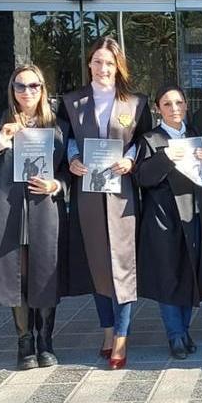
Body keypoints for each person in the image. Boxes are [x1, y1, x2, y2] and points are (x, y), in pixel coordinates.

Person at [0, 65, 67, 370]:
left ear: (42, 89)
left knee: (45, 273)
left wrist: (57, 184)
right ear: (12, 89)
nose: (27, 92)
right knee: (17, 276)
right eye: (20, 86)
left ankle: (46, 340)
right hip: (9, 209)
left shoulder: (59, 126)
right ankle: (25, 342)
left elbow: (70, 167)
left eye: (33, 86)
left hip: (44, 209)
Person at [60, 37, 153, 370]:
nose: (103, 68)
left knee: (123, 263)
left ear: (119, 67)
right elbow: (66, 138)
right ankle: (107, 330)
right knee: (98, 262)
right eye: (98, 61)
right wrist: (71, 158)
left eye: (109, 63)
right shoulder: (72, 101)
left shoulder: (136, 102)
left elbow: (144, 140)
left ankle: (122, 337)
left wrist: (130, 159)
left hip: (121, 192)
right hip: (87, 191)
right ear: (89, 64)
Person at [134, 86, 202, 359]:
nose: (175, 108)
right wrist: (166, 158)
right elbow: (142, 176)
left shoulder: (194, 136)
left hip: (192, 212)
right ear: (158, 108)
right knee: (169, 276)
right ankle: (175, 335)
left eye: (179, 102)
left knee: (190, 273)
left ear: (186, 105)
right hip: (163, 215)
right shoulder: (150, 139)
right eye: (167, 104)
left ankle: (185, 329)